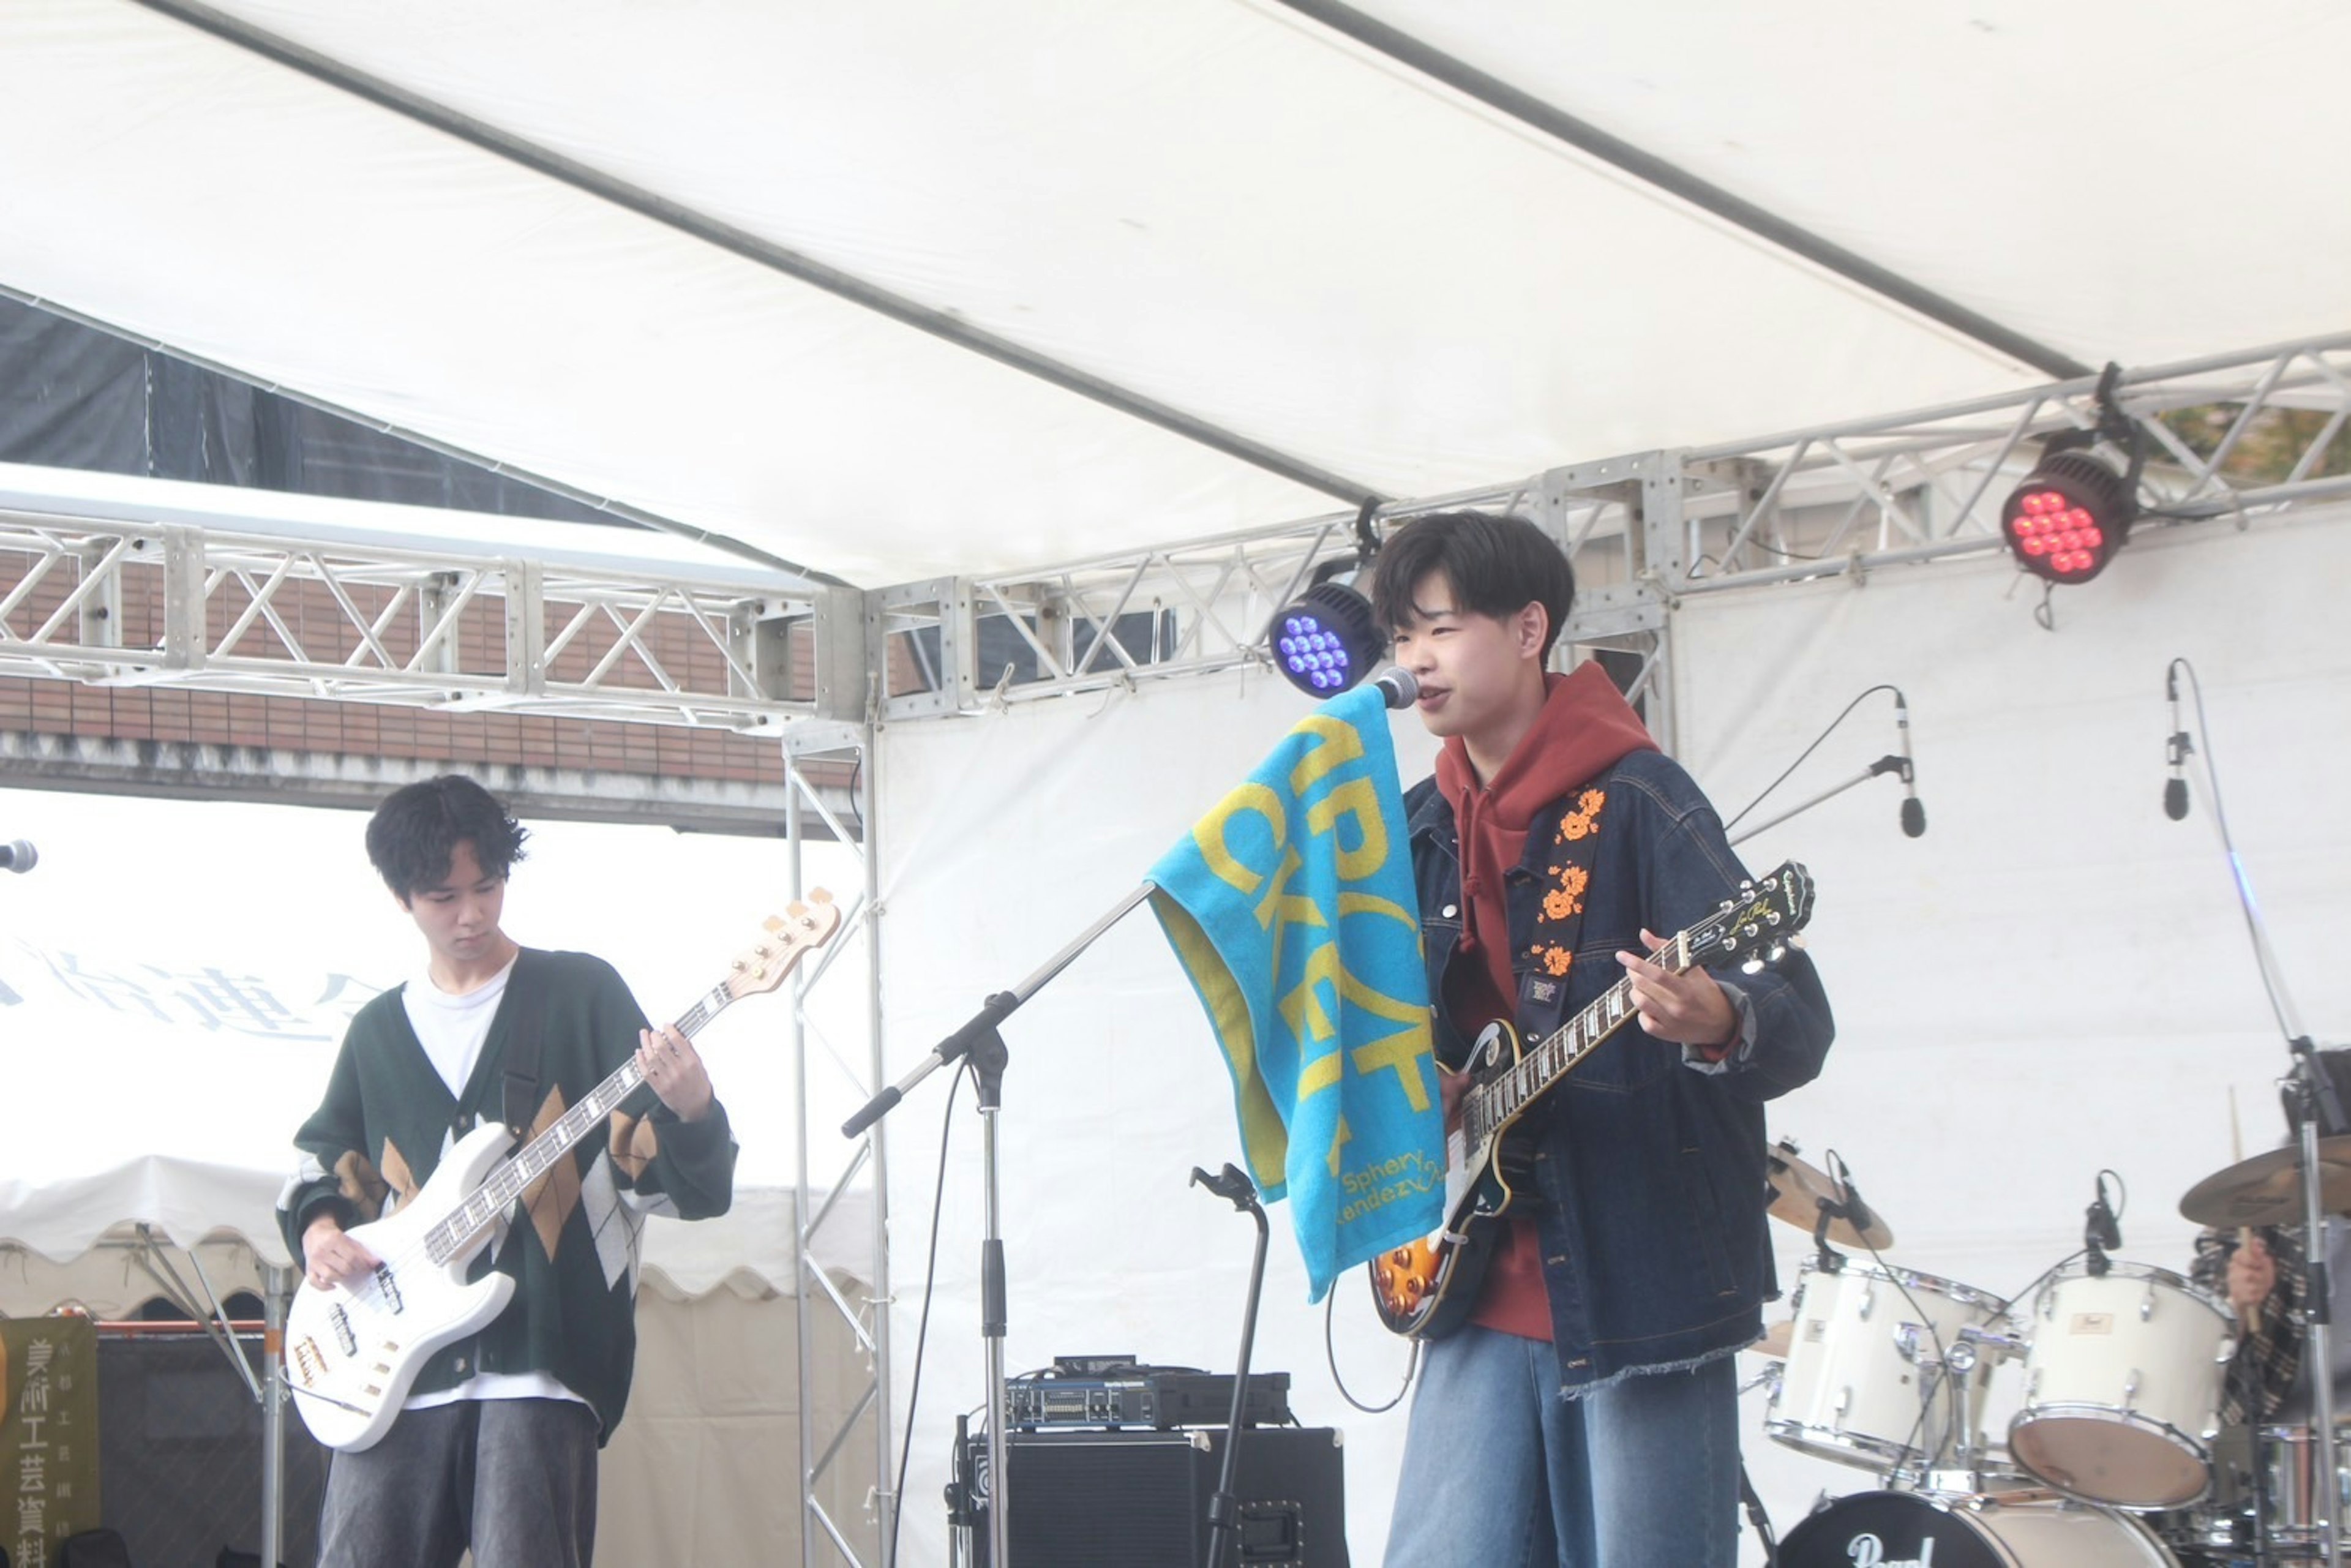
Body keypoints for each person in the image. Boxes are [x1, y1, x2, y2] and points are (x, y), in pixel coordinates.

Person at [1371, 511, 1834, 1568]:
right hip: (1470, 1273)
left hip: (1639, 1285)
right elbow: (1384, 1025)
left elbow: (1799, 1015)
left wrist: (1717, 1018)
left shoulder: (1641, 802)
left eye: (1438, 629)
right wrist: (1421, 1082)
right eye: (1402, 637)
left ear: (1530, 629)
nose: (1414, 661)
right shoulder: (1416, 829)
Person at [278, 775, 737, 1568]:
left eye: (487, 886)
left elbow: (662, 1182)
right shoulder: (377, 1033)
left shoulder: (581, 994)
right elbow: (323, 1164)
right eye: (442, 896)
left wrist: (693, 1109)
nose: (471, 914)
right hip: (390, 1373)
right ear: (401, 899)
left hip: (540, 1361)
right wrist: (321, 1233)